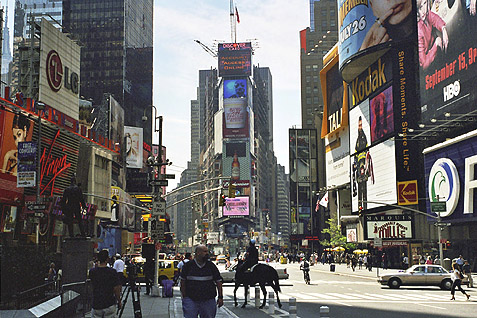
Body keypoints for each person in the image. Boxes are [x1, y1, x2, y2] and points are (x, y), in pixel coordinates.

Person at [180, 245, 223, 318]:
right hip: (191, 299)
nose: (207, 253)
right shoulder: (188, 266)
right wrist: (185, 297)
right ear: (198, 253)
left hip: (208, 300)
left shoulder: (211, 266)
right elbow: (182, 282)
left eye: (207, 251)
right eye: (205, 251)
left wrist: (220, 297)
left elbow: (218, 282)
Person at [89, 250, 122, 317]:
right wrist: (119, 301)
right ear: (107, 259)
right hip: (109, 303)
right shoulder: (112, 272)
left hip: (96, 303)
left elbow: (91, 286)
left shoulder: (92, 272)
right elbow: (116, 289)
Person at [417, 0, 449, 70]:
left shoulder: (426, 14)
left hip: (434, 55)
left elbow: (435, 19)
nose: (423, 10)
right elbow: (424, 64)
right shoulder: (418, 31)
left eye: (425, 3)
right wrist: (436, 44)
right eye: (420, 7)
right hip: (428, 71)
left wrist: (443, 29)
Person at [353, 116, 372, 210]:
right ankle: (359, 206)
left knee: (364, 189)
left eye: (361, 125)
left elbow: (368, 152)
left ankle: (365, 207)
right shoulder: (357, 140)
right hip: (358, 170)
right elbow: (355, 154)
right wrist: (355, 164)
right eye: (358, 125)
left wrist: (365, 166)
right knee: (360, 189)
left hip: (364, 168)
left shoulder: (365, 139)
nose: (359, 127)